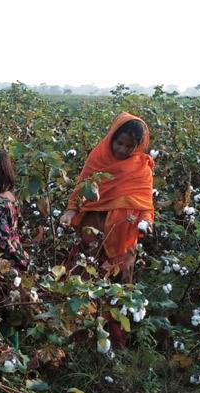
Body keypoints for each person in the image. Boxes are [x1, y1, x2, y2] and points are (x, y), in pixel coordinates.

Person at [59, 113, 154, 283]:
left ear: (138, 146)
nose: (122, 150)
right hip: (92, 229)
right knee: (84, 272)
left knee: (119, 281)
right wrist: (70, 212)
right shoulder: (98, 159)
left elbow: (145, 204)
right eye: (119, 143)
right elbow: (82, 189)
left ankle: (114, 309)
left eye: (129, 146)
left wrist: (146, 221)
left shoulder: (142, 168)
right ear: (111, 137)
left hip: (123, 235)